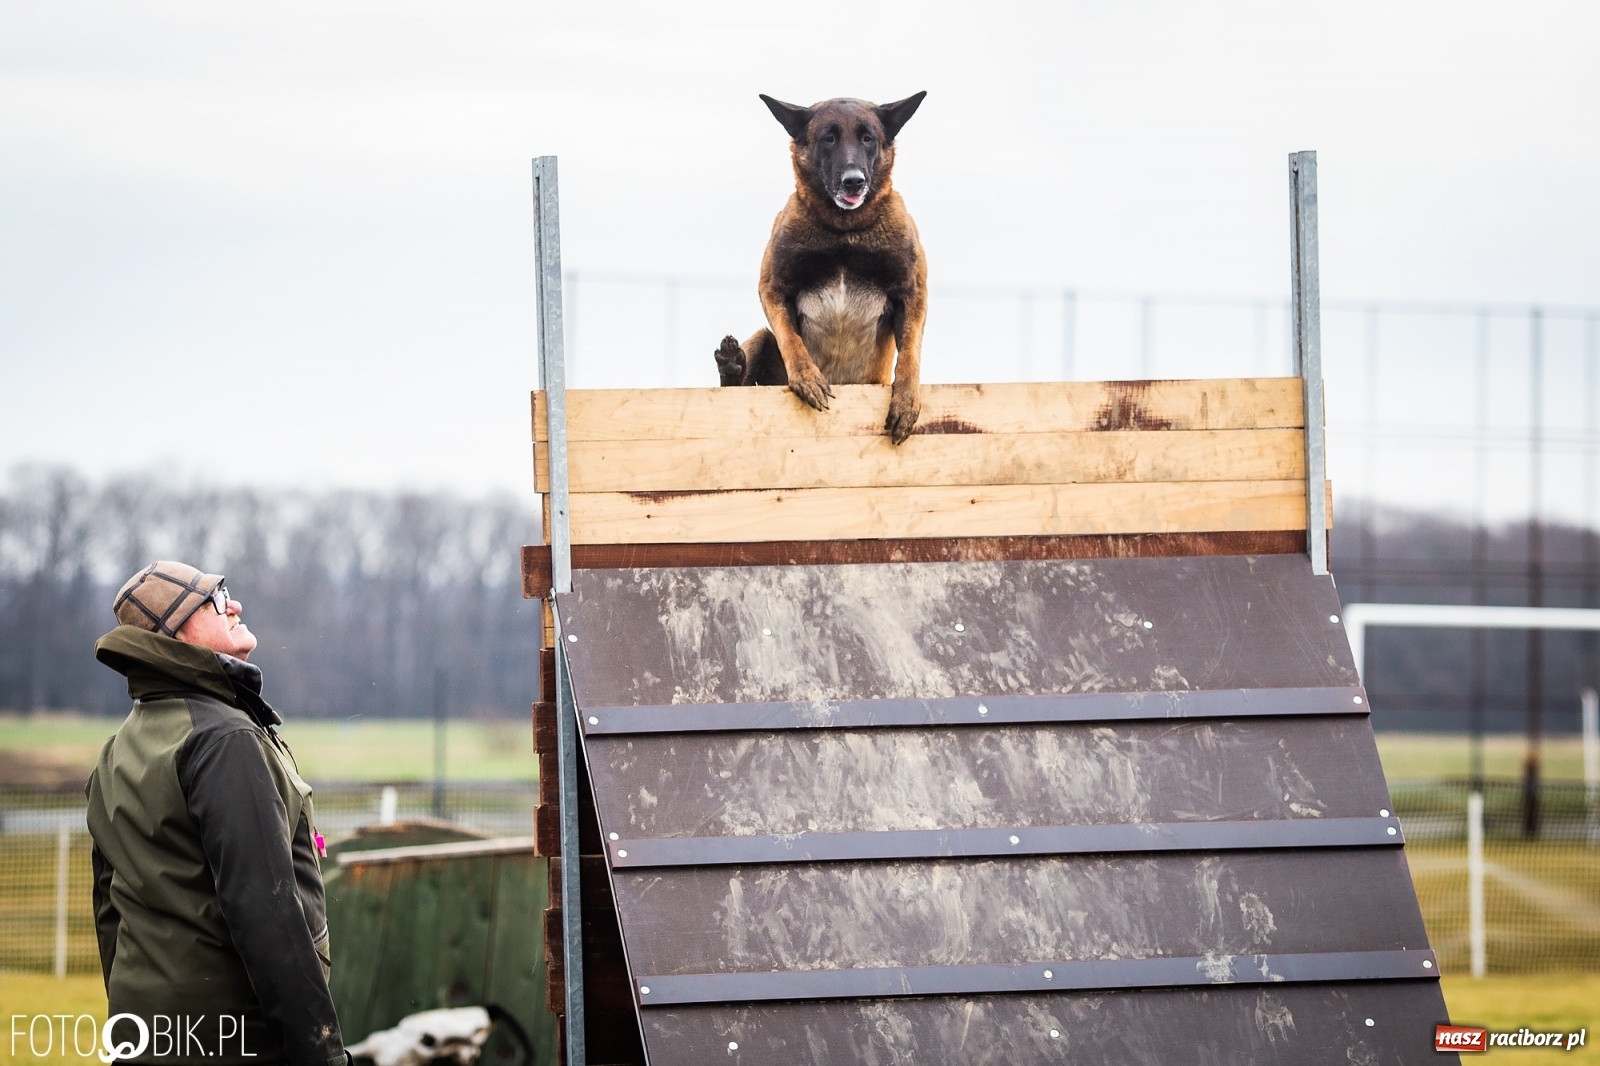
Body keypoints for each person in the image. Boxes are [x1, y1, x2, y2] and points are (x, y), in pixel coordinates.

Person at [85, 561, 346, 1066]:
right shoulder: (224, 740)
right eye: (215, 597)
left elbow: (108, 915)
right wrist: (324, 1055)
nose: (235, 605)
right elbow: (268, 913)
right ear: (176, 633)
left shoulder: (116, 750)